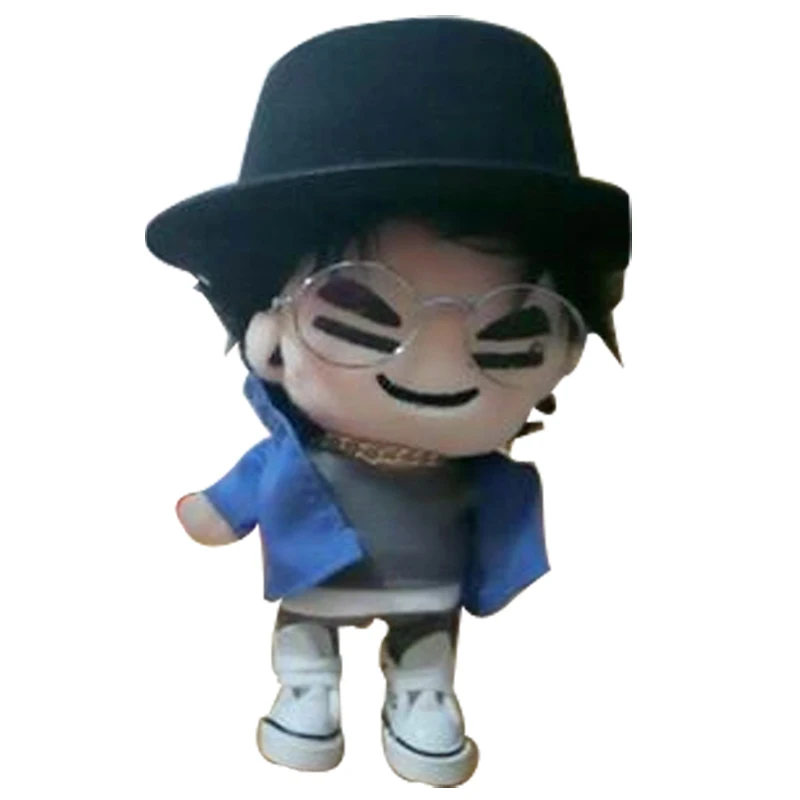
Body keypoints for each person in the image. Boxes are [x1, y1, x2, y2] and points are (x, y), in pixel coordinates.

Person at [146, 17, 630, 787]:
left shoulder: (481, 475)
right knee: (308, 633)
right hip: (318, 580)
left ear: (563, 351)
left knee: (428, 643)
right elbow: (239, 491)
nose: (438, 361)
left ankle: (421, 695)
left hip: (430, 589)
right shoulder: (294, 457)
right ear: (270, 330)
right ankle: (308, 687)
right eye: (358, 315)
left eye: (510, 335)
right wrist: (214, 512)